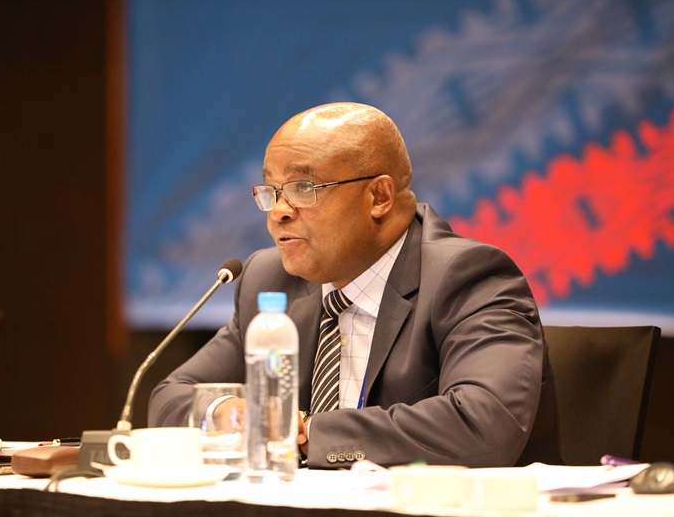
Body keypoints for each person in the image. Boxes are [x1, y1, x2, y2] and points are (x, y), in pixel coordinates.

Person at [148, 102, 561, 468]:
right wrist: (231, 414)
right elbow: (170, 398)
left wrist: (309, 433)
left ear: (379, 196)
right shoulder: (269, 279)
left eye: (302, 189)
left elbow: (483, 424)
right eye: (271, 191)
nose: (278, 213)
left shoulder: (467, 276)